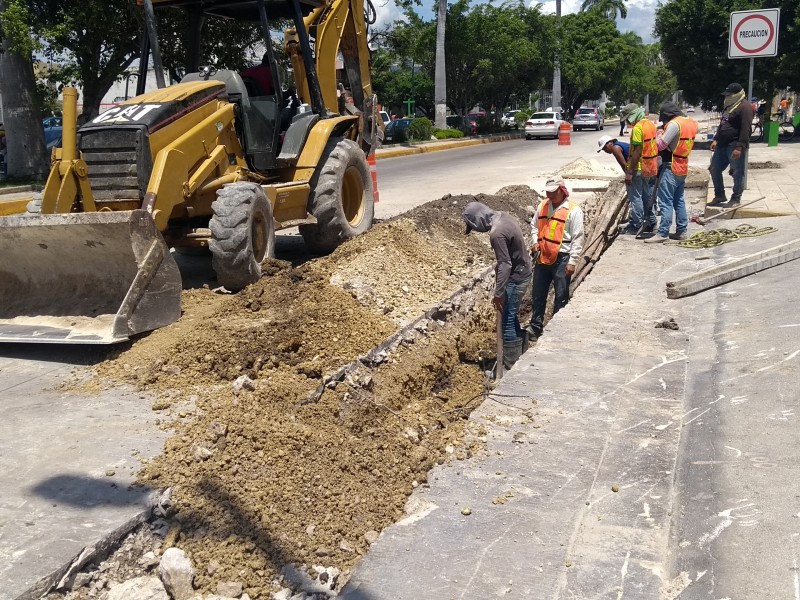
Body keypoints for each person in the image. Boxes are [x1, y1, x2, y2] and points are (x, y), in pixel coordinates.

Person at [462, 202, 532, 371]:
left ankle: (509, 368)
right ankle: (523, 355)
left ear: (479, 220)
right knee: (511, 316)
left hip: (516, 278)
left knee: (507, 322)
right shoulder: (504, 216)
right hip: (523, 271)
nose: (477, 230)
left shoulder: (497, 233)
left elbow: (505, 264)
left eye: (474, 227)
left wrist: (499, 293)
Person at [526, 177, 584, 341]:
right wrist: (535, 241)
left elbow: (578, 238)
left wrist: (572, 262)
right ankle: (536, 326)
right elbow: (534, 226)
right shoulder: (543, 206)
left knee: (561, 295)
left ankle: (557, 330)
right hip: (543, 257)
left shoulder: (574, 211)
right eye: (548, 192)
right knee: (538, 294)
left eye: (553, 192)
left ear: (562, 190)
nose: (550, 196)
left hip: (562, 259)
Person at [644, 101, 698, 243]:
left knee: (665, 201)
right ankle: (681, 231)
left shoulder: (674, 125)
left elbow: (661, 145)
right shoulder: (691, 122)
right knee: (678, 200)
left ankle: (663, 233)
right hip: (682, 165)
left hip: (670, 166)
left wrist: (659, 135)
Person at [709, 83, 753, 206]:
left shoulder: (745, 107)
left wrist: (739, 146)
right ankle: (719, 195)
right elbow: (723, 124)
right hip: (722, 144)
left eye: (729, 94)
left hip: (734, 145)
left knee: (736, 172)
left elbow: (746, 129)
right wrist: (716, 139)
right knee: (714, 169)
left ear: (737, 94)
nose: (727, 96)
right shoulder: (729, 106)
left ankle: (735, 199)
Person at [623, 104, 658, 235]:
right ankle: (651, 222)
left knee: (635, 197)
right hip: (648, 165)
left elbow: (637, 150)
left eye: (628, 118)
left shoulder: (637, 128)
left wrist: (630, 172)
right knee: (646, 195)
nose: (628, 121)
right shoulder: (650, 124)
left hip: (637, 167)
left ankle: (636, 225)